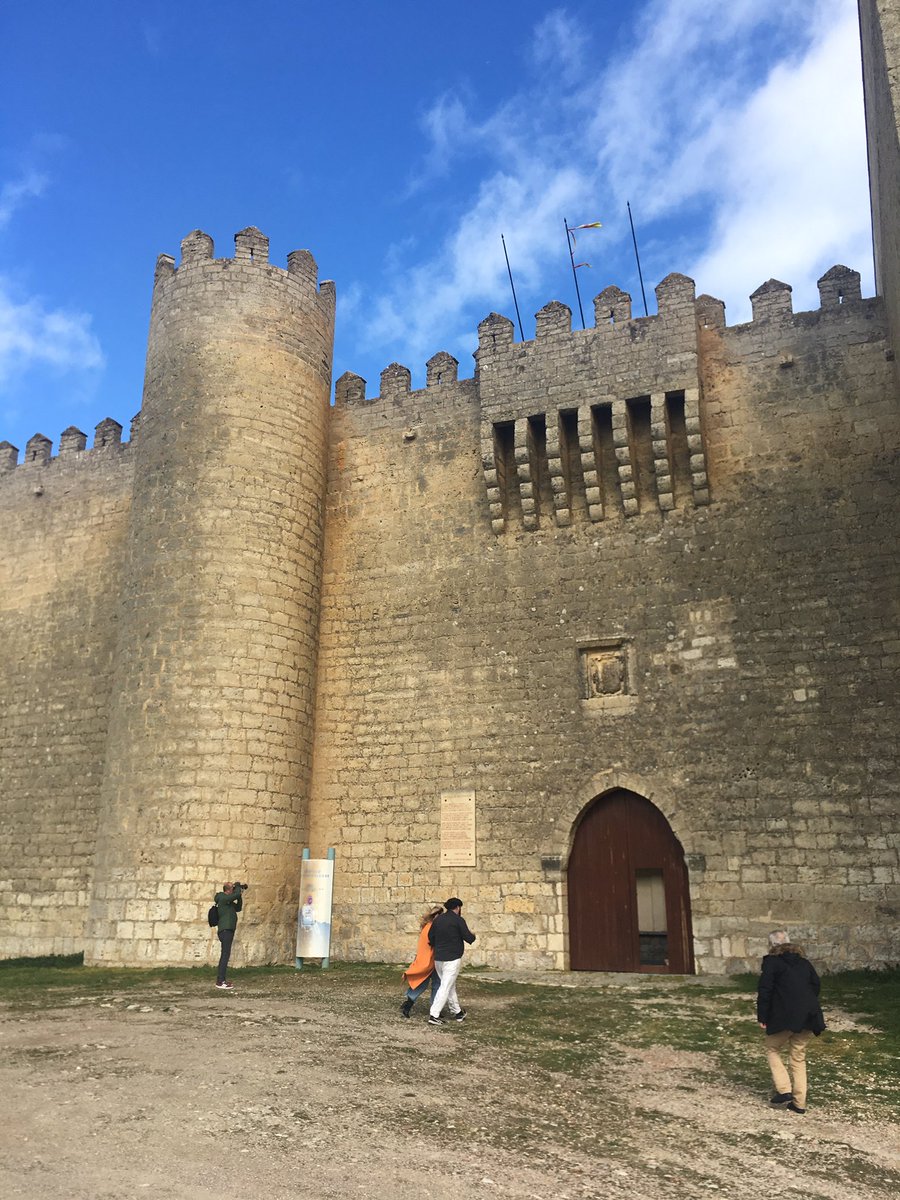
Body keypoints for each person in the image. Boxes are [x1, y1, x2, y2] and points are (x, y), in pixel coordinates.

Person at [756, 929, 826, 1113]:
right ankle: (799, 1103)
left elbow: (765, 990)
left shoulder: (771, 963)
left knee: (772, 1048)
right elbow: (816, 985)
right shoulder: (804, 963)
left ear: (772, 945)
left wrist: (763, 1016)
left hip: (784, 1015)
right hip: (809, 1015)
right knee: (798, 1057)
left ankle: (784, 1090)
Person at [428, 897, 476, 1026]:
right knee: (445, 986)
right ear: (458, 907)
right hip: (452, 958)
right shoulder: (458, 920)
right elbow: (468, 937)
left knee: (449, 986)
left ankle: (458, 1012)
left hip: (438, 958)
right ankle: (434, 1014)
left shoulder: (438, 920)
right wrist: (473, 935)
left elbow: (430, 937)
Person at [399, 905, 443, 1018]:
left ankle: (434, 1009)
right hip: (429, 961)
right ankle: (409, 1006)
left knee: (433, 984)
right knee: (428, 984)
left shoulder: (426, 927)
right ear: (437, 916)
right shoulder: (431, 928)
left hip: (429, 960)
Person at [213, 881, 245, 990]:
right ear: (228, 889)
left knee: (225, 954)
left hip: (228, 930)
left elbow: (239, 908)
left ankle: (221, 979)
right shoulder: (222, 897)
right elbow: (235, 895)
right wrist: (238, 891)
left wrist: (240, 895)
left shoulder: (229, 902)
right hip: (225, 930)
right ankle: (220, 981)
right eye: (233, 888)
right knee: (225, 955)